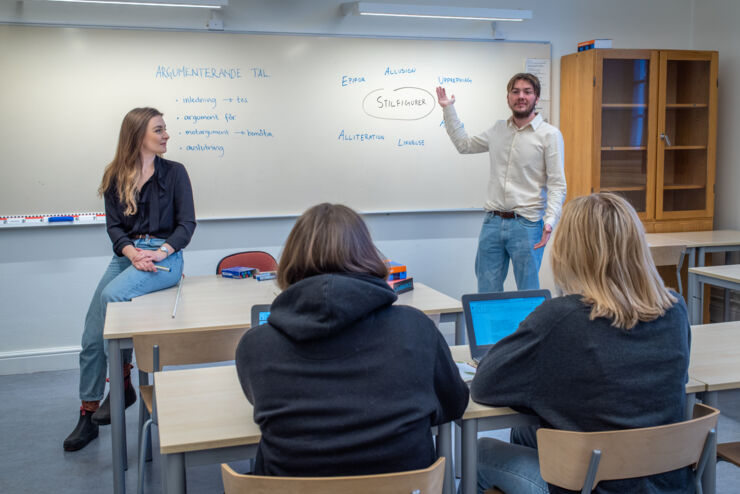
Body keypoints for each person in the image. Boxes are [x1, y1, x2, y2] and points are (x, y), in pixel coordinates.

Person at [469, 193, 692, 494]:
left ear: (570, 252)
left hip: (591, 485)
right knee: (526, 432)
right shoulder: (675, 309)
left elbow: (484, 384)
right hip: (665, 480)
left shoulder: (560, 318)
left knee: (479, 453)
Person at [235, 203, 469, 476]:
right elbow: (454, 405)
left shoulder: (256, 346)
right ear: (368, 255)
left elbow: (263, 408)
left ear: (290, 261)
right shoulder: (416, 328)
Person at [63, 107, 196, 451]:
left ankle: (121, 385)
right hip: (128, 256)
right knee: (92, 337)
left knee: (111, 299)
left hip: (166, 258)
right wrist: (132, 253)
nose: (167, 135)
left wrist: (161, 252)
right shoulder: (114, 175)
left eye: (165, 129)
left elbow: (187, 226)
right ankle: (87, 413)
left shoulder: (176, 173)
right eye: (159, 130)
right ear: (139, 136)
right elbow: (114, 228)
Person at [436, 73, 566, 292]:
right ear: (508, 98)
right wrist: (448, 109)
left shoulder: (549, 135)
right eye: (515, 92)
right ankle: (492, 328)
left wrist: (550, 221)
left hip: (528, 223)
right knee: (486, 292)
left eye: (527, 92)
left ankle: (528, 328)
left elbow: (557, 183)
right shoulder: (498, 130)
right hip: (493, 222)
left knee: (528, 292)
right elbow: (464, 145)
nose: (521, 96)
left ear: (537, 98)